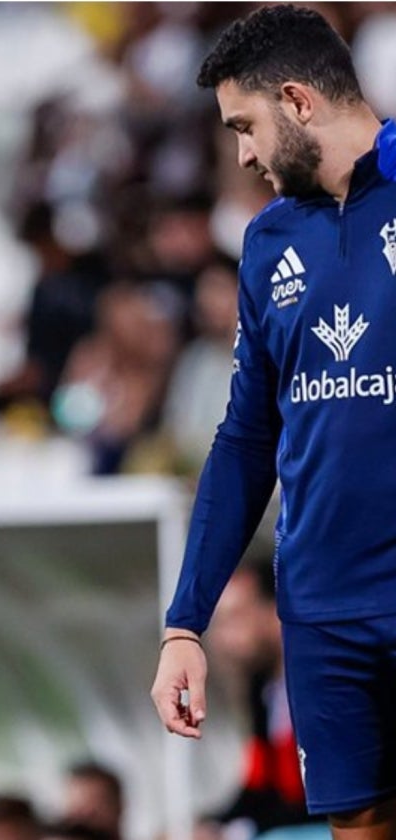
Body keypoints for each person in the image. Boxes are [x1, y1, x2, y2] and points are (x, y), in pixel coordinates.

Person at [150, 5, 396, 837]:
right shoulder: (266, 244)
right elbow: (247, 438)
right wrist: (185, 621)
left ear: (296, 100)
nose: (244, 154)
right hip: (323, 606)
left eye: (245, 127)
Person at [207, 561, 313, 837]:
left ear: (276, 609)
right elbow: (259, 785)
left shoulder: (322, 682)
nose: (222, 637)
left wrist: (247, 828)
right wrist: (211, 824)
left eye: (235, 617)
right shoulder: (263, 690)